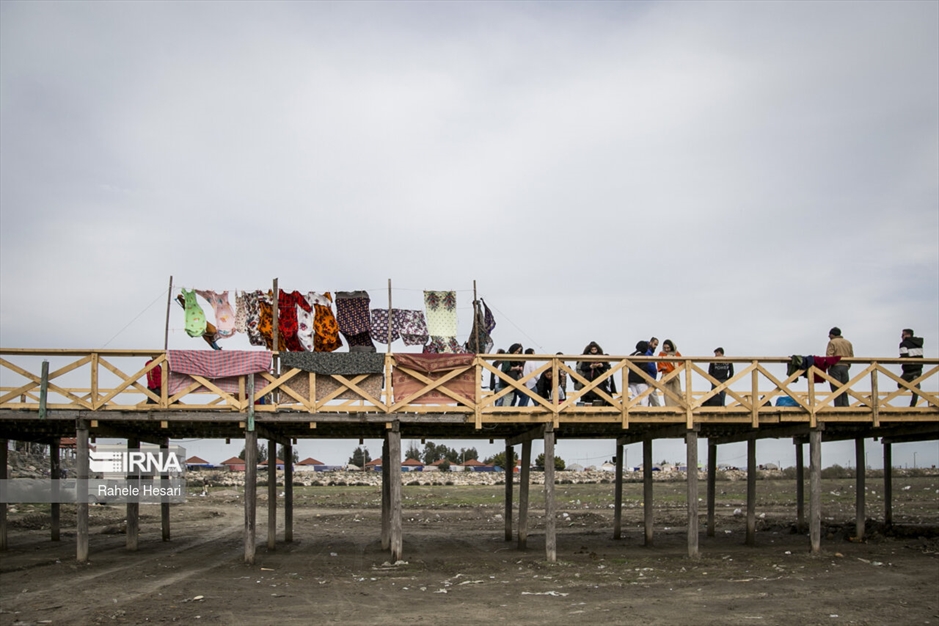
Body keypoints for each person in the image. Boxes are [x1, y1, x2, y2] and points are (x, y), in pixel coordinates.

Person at [826, 327, 854, 407]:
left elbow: (829, 356)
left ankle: (838, 407)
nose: (829, 336)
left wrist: (829, 366)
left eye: (829, 335)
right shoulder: (848, 343)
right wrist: (848, 365)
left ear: (832, 334)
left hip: (835, 367)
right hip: (845, 367)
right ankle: (845, 406)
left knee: (836, 389)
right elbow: (851, 356)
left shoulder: (832, 342)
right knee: (844, 388)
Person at [899, 329, 924, 407]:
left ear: (907, 335)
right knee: (915, 388)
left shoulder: (903, 344)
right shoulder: (919, 344)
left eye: (903, 335)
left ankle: (913, 380)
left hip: (909, 369)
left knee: (900, 384)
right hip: (919, 369)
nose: (901, 337)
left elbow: (904, 356)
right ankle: (912, 405)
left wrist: (899, 360)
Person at [627, 341, 657, 406]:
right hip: (640, 380)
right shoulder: (642, 356)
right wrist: (646, 378)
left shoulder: (631, 355)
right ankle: (644, 410)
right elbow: (644, 368)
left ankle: (631, 409)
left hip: (631, 379)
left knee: (634, 395)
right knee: (644, 395)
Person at [657, 340, 682, 407]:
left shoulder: (676, 353)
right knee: (667, 393)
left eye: (668, 348)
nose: (666, 349)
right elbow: (660, 364)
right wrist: (667, 368)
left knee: (677, 391)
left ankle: (678, 406)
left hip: (675, 375)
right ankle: (669, 406)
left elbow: (681, 363)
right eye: (665, 348)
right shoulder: (661, 354)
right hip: (666, 375)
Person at [647, 337, 661, 406]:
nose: (655, 347)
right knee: (653, 392)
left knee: (649, 393)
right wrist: (655, 370)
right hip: (649, 375)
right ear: (650, 342)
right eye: (655, 344)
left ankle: (645, 408)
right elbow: (648, 363)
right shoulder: (647, 351)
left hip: (650, 375)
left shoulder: (649, 351)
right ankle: (658, 409)